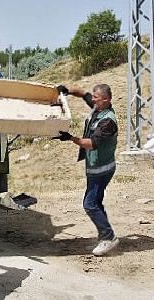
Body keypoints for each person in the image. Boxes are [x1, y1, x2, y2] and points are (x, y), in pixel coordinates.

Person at [54, 83, 120, 256]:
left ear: (105, 99)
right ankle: (104, 236)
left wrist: (70, 138)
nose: (93, 99)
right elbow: (83, 93)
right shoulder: (98, 107)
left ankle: (109, 237)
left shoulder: (108, 121)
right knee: (96, 202)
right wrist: (67, 90)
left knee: (89, 204)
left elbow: (91, 144)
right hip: (94, 168)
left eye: (96, 97)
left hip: (102, 170)